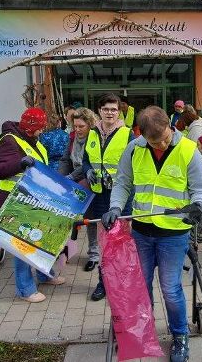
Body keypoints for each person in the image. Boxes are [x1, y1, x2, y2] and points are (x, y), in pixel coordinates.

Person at [103, 106, 202, 362]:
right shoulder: (134, 149)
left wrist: (198, 206)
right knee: (140, 287)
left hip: (174, 234)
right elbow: (122, 183)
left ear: (169, 125)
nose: (162, 143)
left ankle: (180, 336)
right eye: (155, 141)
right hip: (141, 231)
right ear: (142, 135)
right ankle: (142, 331)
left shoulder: (188, 150)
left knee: (171, 288)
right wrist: (115, 207)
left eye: (164, 136)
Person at [0, 107, 63, 303]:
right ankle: (25, 289)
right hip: (16, 202)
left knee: (39, 240)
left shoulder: (31, 141)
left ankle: (44, 275)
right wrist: (20, 163)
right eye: (40, 128)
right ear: (31, 127)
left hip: (32, 200)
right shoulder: (9, 141)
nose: (42, 131)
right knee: (23, 245)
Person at [82, 94, 135, 301]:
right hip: (99, 195)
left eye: (114, 109)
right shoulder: (92, 133)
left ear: (119, 111)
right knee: (105, 243)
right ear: (99, 111)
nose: (110, 113)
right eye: (106, 109)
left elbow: (135, 164)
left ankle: (122, 282)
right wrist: (87, 171)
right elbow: (86, 160)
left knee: (120, 241)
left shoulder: (127, 134)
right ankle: (104, 283)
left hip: (121, 197)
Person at [58, 107, 96, 186]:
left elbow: (90, 162)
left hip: (90, 180)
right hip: (74, 178)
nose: (77, 130)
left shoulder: (96, 139)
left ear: (90, 125)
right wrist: (61, 177)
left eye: (81, 126)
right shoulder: (72, 138)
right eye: (75, 126)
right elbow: (65, 160)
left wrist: (72, 176)